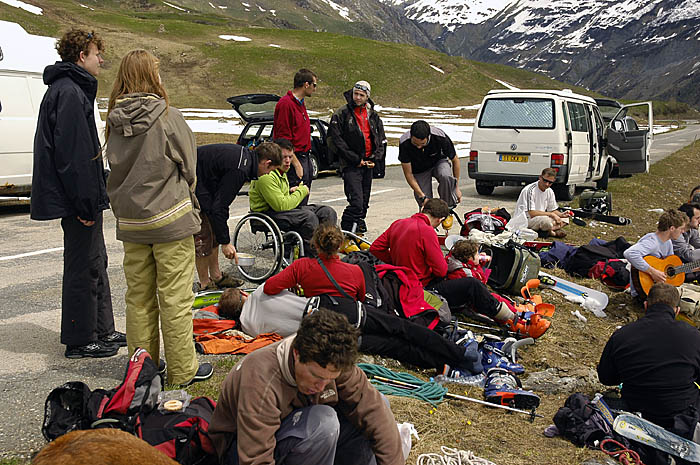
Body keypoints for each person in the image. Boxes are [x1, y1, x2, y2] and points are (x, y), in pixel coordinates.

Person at [104, 49, 211, 387]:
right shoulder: (167, 116)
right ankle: (182, 370)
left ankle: (141, 372)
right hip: (170, 219)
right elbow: (189, 166)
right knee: (175, 298)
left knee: (138, 298)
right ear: (152, 76)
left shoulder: (114, 119)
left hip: (132, 223)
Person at [262, 223, 483, 374]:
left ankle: (444, 366)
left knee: (397, 347)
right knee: (406, 330)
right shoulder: (354, 271)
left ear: (315, 245)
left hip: (336, 333)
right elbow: (360, 297)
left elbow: (270, 287)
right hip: (358, 317)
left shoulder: (301, 267)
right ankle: (461, 355)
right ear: (339, 246)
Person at [209, 308, 404, 465]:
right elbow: (255, 458)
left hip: (292, 435)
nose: (321, 387)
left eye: (329, 380)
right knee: (323, 423)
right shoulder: (261, 378)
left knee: (379, 408)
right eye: (316, 376)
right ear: (296, 353)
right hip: (240, 449)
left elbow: (376, 413)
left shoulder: (337, 362)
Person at [30, 29, 123, 359]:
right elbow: (72, 156)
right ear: (81, 55)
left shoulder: (73, 89)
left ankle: (102, 329)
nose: (101, 59)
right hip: (79, 201)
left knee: (96, 261)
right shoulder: (68, 92)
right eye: (97, 53)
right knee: (82, 266)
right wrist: (85, 203)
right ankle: (81, 339)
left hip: (86, 198)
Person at [597, 283, 700, 465]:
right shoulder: (694, 335)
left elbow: (606, 378)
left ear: (646, 305)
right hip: (682, 413)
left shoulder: (622, 335)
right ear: (676, 310)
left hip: (636, 409)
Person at [370, 199, 515, 323]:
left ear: (423, 209)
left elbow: (375, 248)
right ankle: (507, 316)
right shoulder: (427, 231)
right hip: (422, 288)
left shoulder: (398, 223)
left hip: (399, 282)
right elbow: (441, 270)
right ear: (440, 219)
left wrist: (397, 264)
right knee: (472, 284)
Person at [194, 142, 281, 290]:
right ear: (267, 163)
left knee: (214, 228)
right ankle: (205, 283)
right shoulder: (240, 169)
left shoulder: (246, 158)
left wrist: (221, 237)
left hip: (206, 180)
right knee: (204, 236)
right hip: (194, 180)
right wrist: (226, 243)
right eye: (272, 170)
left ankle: (216, 277)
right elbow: (219, 208)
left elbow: (221, 205)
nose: (268, 174)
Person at [249, 139, 337, 256]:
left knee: (327, 212)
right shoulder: (266, 175)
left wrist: (292, 192)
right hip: (265, 214)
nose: (287, 161)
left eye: (290, 157)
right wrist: (301, 191)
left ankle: (327, 250)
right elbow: (282, 205)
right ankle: (311, 256)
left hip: (280, 211)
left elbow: (282, 199)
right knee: (309, 218)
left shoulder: (282, 173)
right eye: (284, 157)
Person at [328, 80, 386, 237]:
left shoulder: (373, 115)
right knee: (356, 202)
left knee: (364, 203)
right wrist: (354, 159)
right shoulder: (341, 114)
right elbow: (336, 140)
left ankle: (357, 229)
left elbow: (380, 139)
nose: (358, 98)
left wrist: (376, 158)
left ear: (367, 96)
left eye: (362, 95)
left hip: (368, 164)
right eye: (356, 94)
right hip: (350, 164)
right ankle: (345, 231)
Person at [273, 68, 317, 205]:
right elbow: (283, 139)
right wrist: (296, 164)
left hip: (305, 156)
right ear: (306, 84)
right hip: (294, 159)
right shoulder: (286, 104)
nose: (315, 89)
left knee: (304, 198)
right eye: (314, 85)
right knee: (295, 199)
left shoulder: (300, 104)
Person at [398, 120, 461, 212]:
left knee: (445, 176)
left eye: (422, 144)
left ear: (428, 137)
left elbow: (455, 160)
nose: (419, 147)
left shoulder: (440, 137)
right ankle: (428, 219)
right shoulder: (404, 143)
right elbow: (408, 174)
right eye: (415, 144)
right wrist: (422, 196)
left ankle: (447, 208)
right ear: (411, 136)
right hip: (419, 169)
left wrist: (455, 188)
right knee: (425, 203)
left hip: (438, 162)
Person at [624, 209, 688, 298]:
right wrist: (652, 272)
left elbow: (671, 268)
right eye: (681, 228)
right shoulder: (652, 242)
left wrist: (692, 268)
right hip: (644, 290)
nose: (683, 232)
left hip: (660, 287)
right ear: (672, 228)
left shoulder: (668, 242)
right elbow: (629, 253)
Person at [514, 168, 569, 238]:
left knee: (565, 219)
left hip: (541, 217)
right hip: (526, 219)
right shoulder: (530, 190)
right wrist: (552, 215)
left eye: (550, 182)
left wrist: (561, 215)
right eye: (545, 180)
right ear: (540, 177)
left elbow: (552, 209)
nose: (547, 184)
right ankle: (551, 232)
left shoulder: (549, 191)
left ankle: (547, 230)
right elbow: (532, 213)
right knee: (547, 221)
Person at [673, 203, 700, 281]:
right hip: (674, 268)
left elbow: (698, 243)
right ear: (687, 219)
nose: (699, 221)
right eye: (697, 218)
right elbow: (688, 255)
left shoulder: (692, 230)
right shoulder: (676, 232)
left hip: (683, 267)